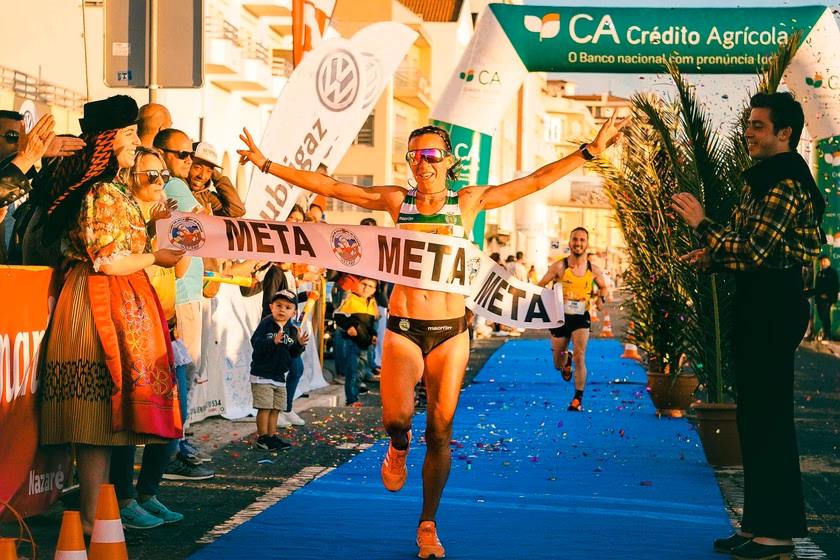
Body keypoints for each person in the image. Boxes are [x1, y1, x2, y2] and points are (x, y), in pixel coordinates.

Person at [238, 113, 627, 558]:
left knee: (440, 431)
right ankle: (398, 446)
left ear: (447, 160)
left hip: (450, 332)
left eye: (430, 155)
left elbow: (534, 181)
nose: (421, 163)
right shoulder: (397, 200)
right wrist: (267, 165)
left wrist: (589, 151)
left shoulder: (467, 201)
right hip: (405, 328)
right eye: (414, 156)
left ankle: (427, 524)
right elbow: (334, 187)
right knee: (397, 420)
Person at [673, 92, 825, 560]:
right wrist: (714, 256)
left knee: (769, 420)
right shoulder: (763, 178)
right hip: (759, 302)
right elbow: (746, 246)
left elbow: (755, 251)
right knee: (755, 419)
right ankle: (759, 527)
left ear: (785, 133)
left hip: (774, 306)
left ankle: (776, 536)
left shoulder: (785, 182)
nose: (748, 133)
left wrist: (702, 224)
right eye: (748, 124)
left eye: (758, 125)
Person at [37, 95, 185, 535]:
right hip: (96, 300)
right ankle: (91, 517)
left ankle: (98, 515)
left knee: (103, 420)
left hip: (114, 296)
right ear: (107, 140)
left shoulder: (114, 189)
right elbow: (107, 259)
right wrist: (155, 255)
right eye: (128, 134)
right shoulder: (101, 190)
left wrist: (153, 231)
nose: (136, 141)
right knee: (95, 416)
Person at [110, 146, 195, 529]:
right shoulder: (124, 215)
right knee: (130, 422)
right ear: (130, 177)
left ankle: (148, 493)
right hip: (133, 329)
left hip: (167, 330)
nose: (160, 181)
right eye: (151, 175)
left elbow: (180, 270)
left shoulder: (164, 216)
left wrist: (184, 234)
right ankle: (125, 499)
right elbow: (120, 259)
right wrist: (151, 233)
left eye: (164, 175)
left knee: (174, 420)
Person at [153, 128, 216, 478]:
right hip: (182, 296)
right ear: (162, 153)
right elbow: (205, 227)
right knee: (184, 374)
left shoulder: (175, 185)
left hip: (186, 291)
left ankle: (175, 443)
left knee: (185, 374)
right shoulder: (174, 185)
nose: (190, 162)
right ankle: (174, 448)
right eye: (183, 155)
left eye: (191, 155)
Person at [537, 228, 608, 411]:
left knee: (580, 355)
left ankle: (577, 399)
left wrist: (601, 299)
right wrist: (553, 297)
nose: (578, 243)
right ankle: (565, 360)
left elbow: (604, 288)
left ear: (587, 244)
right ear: (569, 242)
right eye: (575, 239)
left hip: (581, 318)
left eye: (582, 240)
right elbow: (540, 286)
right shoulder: (559, 267)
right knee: (557, 364)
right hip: (559, 319)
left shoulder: (593, 269)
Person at [249, 289, 308, 451]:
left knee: (276, 408)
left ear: (294, 312)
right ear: (271, 307)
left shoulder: (292, 329)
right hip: (262, 374)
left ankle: (271, 436)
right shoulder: (266, 323)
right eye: (278, 305)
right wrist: (272, 342)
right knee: (265, 407)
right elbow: (255, 343)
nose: (282, 310)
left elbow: (293, 354)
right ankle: (262, 438)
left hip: (280, 376)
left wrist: (299, 345)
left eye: (287, 307)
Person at [333, 277, 379, 407]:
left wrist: (373, 335)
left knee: (360, 372)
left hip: (365, 342)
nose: (366, 288)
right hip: (352, 341)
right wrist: (349, 326)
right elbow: (338, 316)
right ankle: (351, 399)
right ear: (358, 285)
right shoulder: (350, 299)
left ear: (374, 290)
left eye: (370, 286)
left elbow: (369, 324)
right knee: (352, 371)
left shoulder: (372, 303)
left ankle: (356, 396)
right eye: (364, 284)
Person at [187, 141, 245, 217]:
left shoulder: (206, 196)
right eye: (197, 168)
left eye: (209, 171)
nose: (202, 176)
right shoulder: (175, 185)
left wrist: (217, 177)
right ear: (186, 164)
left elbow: (237, 210)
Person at [811, 255, 838, 342]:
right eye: (821, 261)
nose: (823, 263)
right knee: (821, 315)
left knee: (825, 315)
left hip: (828, 299)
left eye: (825, 261)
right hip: (819, 299)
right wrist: (816, 299)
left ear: (829, 262)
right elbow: (817, 286)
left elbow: (834, 286)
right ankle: (825, 333)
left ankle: (827, 334)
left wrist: (828, 295)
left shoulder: (832, 273)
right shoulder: (819, 273)